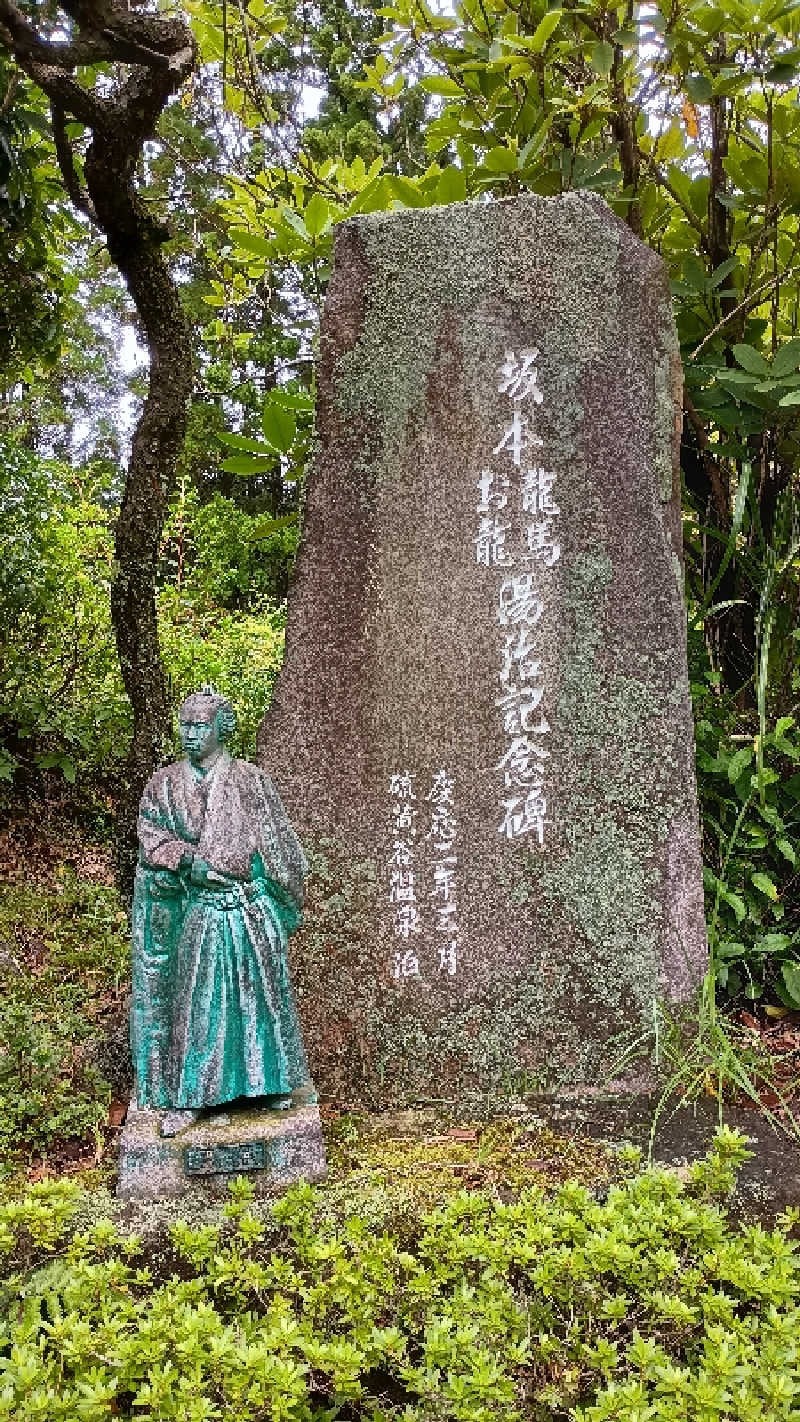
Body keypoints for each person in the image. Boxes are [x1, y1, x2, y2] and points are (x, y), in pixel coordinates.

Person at [131, 687, 314, 1136]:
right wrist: (187, 860)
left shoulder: (251, 780)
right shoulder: (164, 784)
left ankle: (266, 1084)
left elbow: (279, 845)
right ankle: (192, 1095)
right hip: (202, 908)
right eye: (186, 724)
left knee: (259, 998)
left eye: (200, 725)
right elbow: (151, 836)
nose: (191, 734)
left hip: (249, 907)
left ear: (220, 728)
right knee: (197, 1002)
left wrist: (279, 898)